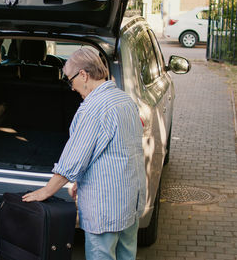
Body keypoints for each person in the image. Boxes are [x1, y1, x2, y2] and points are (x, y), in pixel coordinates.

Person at [22, 48, 146, 260]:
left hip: (105, 206)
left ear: (83, 74)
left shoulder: (93, 108)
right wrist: (82, 179)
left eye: (70, 80)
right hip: (130, 199)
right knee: (126, 254)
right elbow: (118, 150)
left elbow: (74, 158)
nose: (71, 88)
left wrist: (46, 191)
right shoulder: (124, 100)